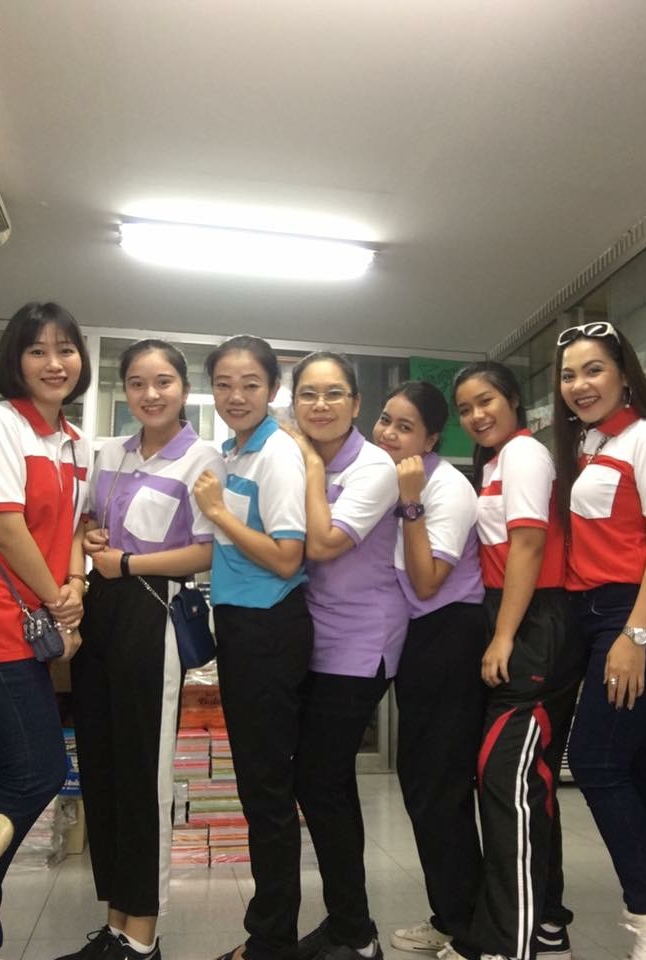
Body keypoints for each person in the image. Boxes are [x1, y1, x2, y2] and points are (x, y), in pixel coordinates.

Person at [64, 339, 225, 960]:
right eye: (136, 382)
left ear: (183, 389)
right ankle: (114, 923)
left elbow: (209, 549)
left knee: (143, 775)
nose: (149, 394)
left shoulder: (203, 458)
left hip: (152, 610)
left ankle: (142, 935)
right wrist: (90, 538)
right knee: (102, 769)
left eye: (162, 382)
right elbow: (85, 523)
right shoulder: (110, 452)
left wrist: (127, 562)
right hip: (101, 610)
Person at [444, 361, 587, 960]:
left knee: (507, 785)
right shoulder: (497, 462)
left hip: (534, 624)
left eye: (486, 401)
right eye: (465, 409)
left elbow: (529, 544)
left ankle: (510, 942)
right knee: (529, 783)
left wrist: (504, 637)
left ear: (513, 401)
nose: (476, 415)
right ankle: (546, 922)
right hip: (517, 616)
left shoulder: (525, 454)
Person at [0, 301, 92, 960]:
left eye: (65, 348)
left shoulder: (73, 439)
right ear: (15, 359)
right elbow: (5, 525)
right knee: (40, 770)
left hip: (34, 618)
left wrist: (74, 587)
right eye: (37, 349)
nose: (54, 362)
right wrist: (56, 601)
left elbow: (75, 527)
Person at [553, 322, 646, 959]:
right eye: (569, 374)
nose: (580, 385)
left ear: (625, 375)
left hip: (634, 616)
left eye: (594, 369)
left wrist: (634, 635)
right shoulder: (590, 443)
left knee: (597, 763)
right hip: (594, 615)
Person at [192, 335, 313, 960]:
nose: (235, 396)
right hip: (242, 626)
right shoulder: (233, 452)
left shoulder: (277, 454)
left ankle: (271, 941)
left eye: (250, 385)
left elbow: (288, 557)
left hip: (269, 628)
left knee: (265, 791)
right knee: (258, 786)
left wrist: (220, 513)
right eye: (224, 384)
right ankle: (271, 932)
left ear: (272, 390)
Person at [287, 352, 409, 960]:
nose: (321, 405)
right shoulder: (292, 456)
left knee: (318, 778)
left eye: (334, 393)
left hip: (361, 641)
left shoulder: (374, 466)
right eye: (308, 394)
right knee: (327, 781)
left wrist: (311, 466)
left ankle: (354, 931)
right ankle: (349, 926)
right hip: (311, 636)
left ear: (356, 404)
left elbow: (323, 542)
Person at [370, 381, 486, 954]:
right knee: (421, 784)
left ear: (432, 439)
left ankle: (469, 928)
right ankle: (451, 914)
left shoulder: (446, 487)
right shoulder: (388, 479)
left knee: (440, 786)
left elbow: (425, 582)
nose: (389, 433)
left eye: (405, 426)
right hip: (420, 639)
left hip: (452, 636)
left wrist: (412, 504)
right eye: (385, 419)